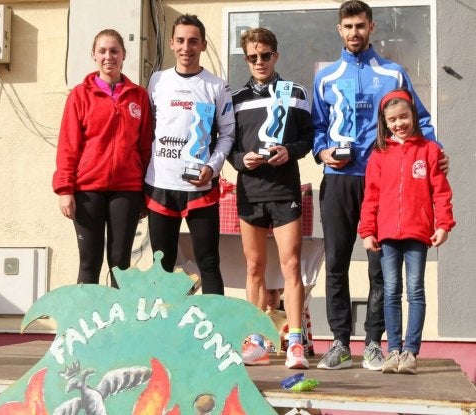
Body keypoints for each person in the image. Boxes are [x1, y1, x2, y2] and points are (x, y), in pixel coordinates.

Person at [312, 0, 448, 370]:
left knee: (379, 268)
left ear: (371, 27)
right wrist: (322, 152)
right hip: (338, 180)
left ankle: (374, 342)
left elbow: (420, 120)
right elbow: (318, 127)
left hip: (383, 180)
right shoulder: (325, 76)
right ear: (339, 30)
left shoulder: (393, 73)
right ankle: (340, 343)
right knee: (336, 262)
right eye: (348, 26)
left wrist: (435, 153)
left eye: (360, 25)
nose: (354, 32)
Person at [228, 28, 313, 369]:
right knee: (254, 267)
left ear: (275, 55)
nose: (259, 62)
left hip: (284, 191)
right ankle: (256, 340)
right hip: (251, 191)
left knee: (291, 265)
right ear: (246, 59)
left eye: (265, 55)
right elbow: (228, 145)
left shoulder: (296, 92)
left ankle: (295, 342)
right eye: (252, 57)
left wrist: (289, 151)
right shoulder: (235, 98)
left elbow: (308, 138)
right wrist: (240, 160)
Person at [358, 88, 455, 374]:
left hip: (418, 233)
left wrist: (443, 224)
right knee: (391, 291)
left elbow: (441, 192)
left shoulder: (430, 150)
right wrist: (367, 231)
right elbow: (371, 197)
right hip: (387, 234)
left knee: (415, 290)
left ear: (413, 116)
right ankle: (393, 351)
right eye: (392, 119)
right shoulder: (379, 155)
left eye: (404, 117)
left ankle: (410, 352)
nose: (399, 123)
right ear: (385, 123)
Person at [53, 29, 153, 286]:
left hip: (127, 190)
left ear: (124, 55)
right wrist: (65, 189)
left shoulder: (139, 96)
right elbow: (68, 145)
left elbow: (145, 147)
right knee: (89, 261)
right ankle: (87, 313)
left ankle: (119, 314)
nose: (109, 56)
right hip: (87, 190)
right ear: (94, 55)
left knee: (121, 263)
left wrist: (145, 192)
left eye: (114, 51)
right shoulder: (79, 95)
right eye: (103, 51)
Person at [144, 14, 235, 295]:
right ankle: (161, 322)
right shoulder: (157, 80)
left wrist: (213, 167)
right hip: (161, 186)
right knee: (162, 267)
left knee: (208, 263)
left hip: (200, 188)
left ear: (203, 45)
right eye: (181, 41)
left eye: (193, 41)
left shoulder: (217, 86)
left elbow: (227, 135)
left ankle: (215, 322)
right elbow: (146, 130)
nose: (187, 48)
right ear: (171, 43)